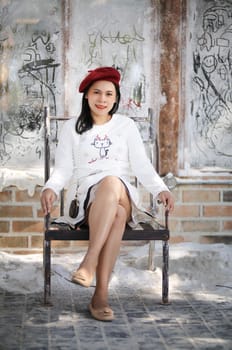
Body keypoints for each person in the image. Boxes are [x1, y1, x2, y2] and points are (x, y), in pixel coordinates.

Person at [40, 66, 174, 322]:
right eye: (96, 93)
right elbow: (64, 168)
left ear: (116, 98)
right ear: (87, 96)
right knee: (117, 215)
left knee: (113, 182)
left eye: (108, 94)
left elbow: (142, 166)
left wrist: (161, 189)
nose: (102, 99)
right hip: (90, 201)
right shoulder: (73, 128)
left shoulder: (126, 126)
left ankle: (89, 262)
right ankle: (100, 296)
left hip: (122, 189)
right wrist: (51, 187)